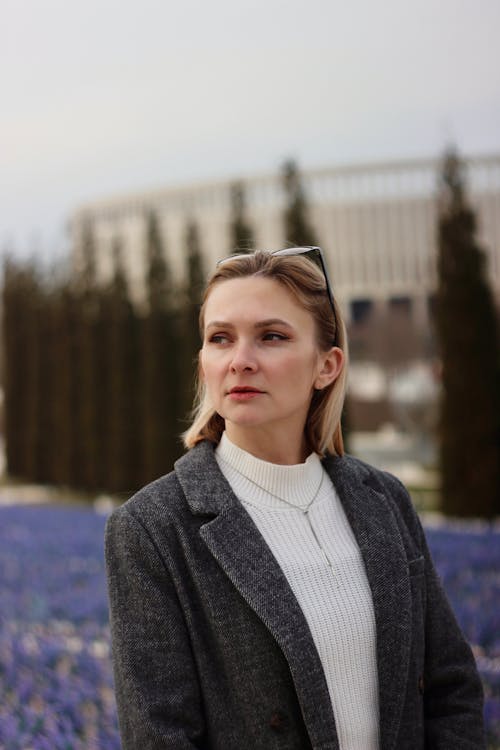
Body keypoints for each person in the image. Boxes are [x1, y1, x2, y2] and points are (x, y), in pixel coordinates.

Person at [105, 247, 485, 750]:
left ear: (326, 366)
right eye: (220, 339)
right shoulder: (153, 529)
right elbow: (161, 737)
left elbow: (451, 688)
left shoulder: (384, 501)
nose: (241, 360)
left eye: (272, 337)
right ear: (203, 364)